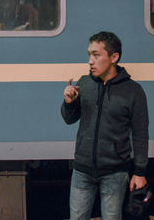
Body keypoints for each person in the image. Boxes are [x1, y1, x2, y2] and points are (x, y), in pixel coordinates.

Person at [61, 31, 149, 220]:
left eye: (96, 55)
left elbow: (140, 134)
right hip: (82, 170)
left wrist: (139, 172)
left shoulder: (133, 91)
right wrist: (69, 103)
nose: (90, 61)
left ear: (114, 57)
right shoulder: (84, 84)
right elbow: (70, 119)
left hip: (115, 172)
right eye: (89, 55)